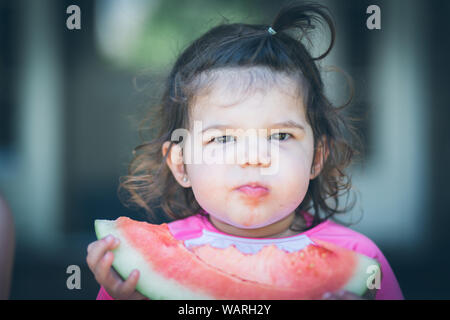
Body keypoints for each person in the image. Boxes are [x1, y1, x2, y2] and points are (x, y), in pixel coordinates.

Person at [86, 1, 404, 300]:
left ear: (316, 158)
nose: (253, 158)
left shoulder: (361, 258)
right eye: (223, 139)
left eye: (280, 135)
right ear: (181, 164)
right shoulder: (135, 268)